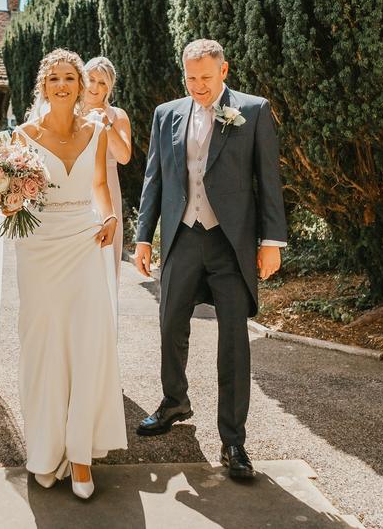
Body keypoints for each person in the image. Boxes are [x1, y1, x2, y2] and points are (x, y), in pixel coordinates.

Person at [132, 39, 287, 480]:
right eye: (191, 77)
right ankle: (174, 401)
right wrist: (143, 238)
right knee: (169, 324)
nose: (198, 85)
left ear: (224, 71)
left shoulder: (253, 111)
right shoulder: (166, 114)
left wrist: (271, 240)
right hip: (182, 236)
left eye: (205, 76)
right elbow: (154, 179)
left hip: (230, 242)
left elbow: (268, 179)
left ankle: (233, 439)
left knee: (233, 340)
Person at [10, 49, 126, 499]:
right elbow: (14, 194)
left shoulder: (97, 132)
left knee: (87, 344)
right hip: (39, 248)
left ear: (81, 87)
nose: (62, 85)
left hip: (84, 242)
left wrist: (112, 216)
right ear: (43, 86)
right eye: (54, 78)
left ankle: (80, 456)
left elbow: (99, 183)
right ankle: (44, 449)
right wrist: (5, 198)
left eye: (69, 78)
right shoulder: (22, 135)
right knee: (43, 348)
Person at [83, 56, 132, 315]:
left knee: (105, 259)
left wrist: (106, 123)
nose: (94, 87)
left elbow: (124, 156)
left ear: (108, 88)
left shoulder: (117, 115)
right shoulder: (68, 111)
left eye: (102, 82)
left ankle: (104, 327)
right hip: (76, 188)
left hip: (107, 190)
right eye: (91, 79)